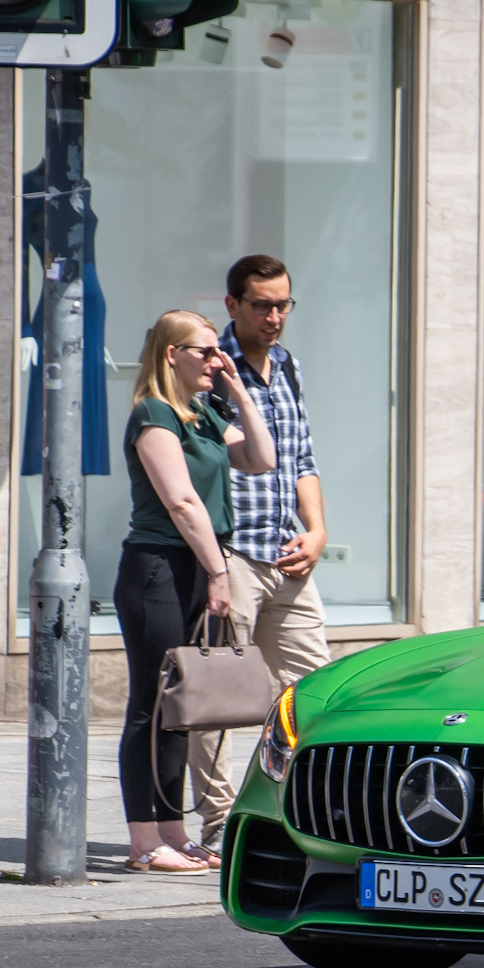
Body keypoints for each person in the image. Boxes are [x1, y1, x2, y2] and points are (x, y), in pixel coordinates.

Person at [116, 309, 275, 874]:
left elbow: (262, 458)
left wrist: (237, 388)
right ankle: (143, 841)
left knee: (179, 709)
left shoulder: (202, 412)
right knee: (150, 706)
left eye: (217, 351)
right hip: (158, 568)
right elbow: (182, 503)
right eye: (205, 352)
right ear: (171, 354)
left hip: (194, 566)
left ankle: (173, 833)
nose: (216, 359)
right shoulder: (154, 415)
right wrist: (218, 572)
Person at [194, 255, 330, 847]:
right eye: (262, 306)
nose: (275, 317)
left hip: (287, 553)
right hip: (235, 557)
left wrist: (318, 529)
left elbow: (302, 459)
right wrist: (212, 564)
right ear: (233, 306)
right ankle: (221, 822)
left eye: (283, 305)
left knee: (318, 690)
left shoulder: (289, 366)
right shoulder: (210, 369)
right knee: (220, 700)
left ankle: (308, 810)